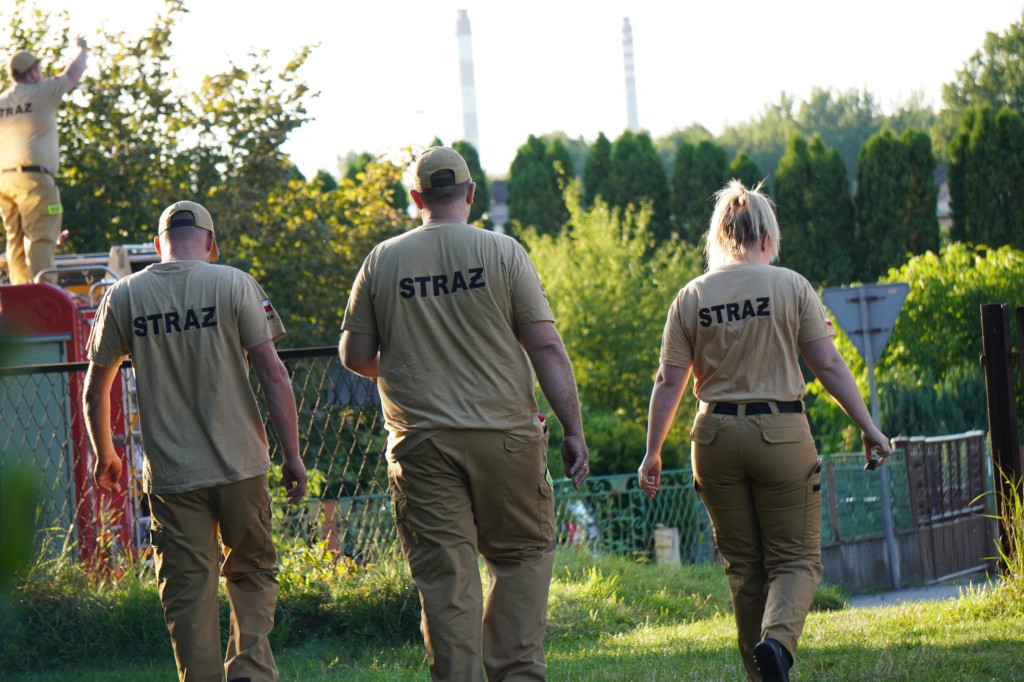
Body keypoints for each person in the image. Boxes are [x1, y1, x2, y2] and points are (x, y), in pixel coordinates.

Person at [339, 146, 590, 681]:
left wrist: (406, 366)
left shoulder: (382, 260)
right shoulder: (504, 252)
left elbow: (354, 356)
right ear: (471, 193)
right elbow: (546, 346)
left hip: (421, 445)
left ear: (416, 198)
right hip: (506, 438)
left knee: (446, 580)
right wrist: (573, 430)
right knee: (522, 558)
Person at [638, 180, 891, 682]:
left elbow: (669, 381)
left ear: (720, 237)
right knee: (796, 561)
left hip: (712, 438)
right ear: (767, 238)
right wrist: (868, 426)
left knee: (744, 569)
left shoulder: (691, 296)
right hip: (780, 434)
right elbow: (828, 365)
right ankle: (776, 644)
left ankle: (761, 675)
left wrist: (653, 452)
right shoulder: (791, 286)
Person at [83, 200, 308, 682]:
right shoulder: (234, 283)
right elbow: (273, 374)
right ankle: (249, 671)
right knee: (252, 572)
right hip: (241, 465)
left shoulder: (123, 296)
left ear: (158, 244)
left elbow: (95, 388)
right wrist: (292, 456)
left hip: (172, 475)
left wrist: (106, 453)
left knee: (187, 589)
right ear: (209, 242)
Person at [0, 36, 88, 284]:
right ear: (32, 73)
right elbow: (72, 74)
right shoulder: (42, 91)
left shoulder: (2, 101)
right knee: (41, 237)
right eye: (39, 68)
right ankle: (43, 293)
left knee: (15, 240)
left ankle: (19, 295)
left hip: (5, 181)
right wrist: (81, 49)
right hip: (35, 179)